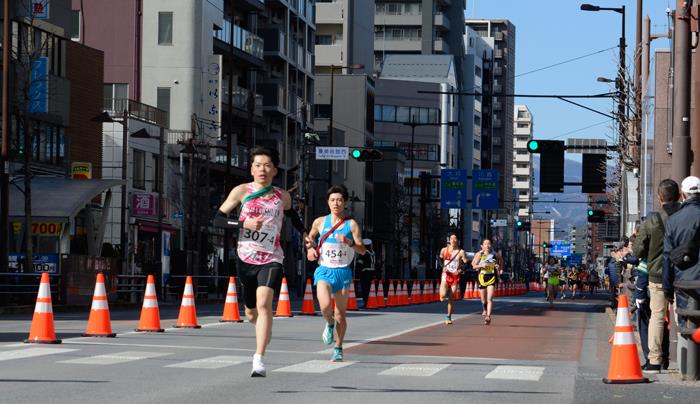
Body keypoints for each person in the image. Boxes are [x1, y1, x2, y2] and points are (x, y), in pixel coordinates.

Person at [213, 147, 308, 377]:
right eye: (258, 165)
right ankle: (260, 328)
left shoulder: (282, 196)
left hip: (272, 257)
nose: (262, 169)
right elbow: (217, 219)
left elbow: (292, 215)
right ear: (251, 168)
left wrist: (306, 235)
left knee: (265, 303)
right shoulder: (242, 191)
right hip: (246, 257)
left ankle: (259, 359)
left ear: (275, 170)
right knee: (252, 312)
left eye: (267, 165)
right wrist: (242, 225)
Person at [305, 185, 367, 362]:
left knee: (340, 313)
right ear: (328, 202)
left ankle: (338, 348)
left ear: (345, 202)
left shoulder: (351, 224)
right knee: (325, 306)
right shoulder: (319, 222)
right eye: (332, 200)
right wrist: (310, 250)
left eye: (339, 200)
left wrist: (349, 242)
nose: (336, 203)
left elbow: (362, 250)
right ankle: (329, 324)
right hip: (324, 270)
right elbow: (310, 239)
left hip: (343, 272)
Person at [633, 179, 679, 373]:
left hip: (657, 275)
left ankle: (654, 360)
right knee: (682, 317)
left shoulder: (651, 221)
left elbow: (638, 251)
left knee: (657, 317)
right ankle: (689, 358)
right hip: (681, 273)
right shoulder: (685, 215)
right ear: (678, 196)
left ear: (660, 198)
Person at [663, 176, 700, 375]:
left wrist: (668, 289)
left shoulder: (674, 220)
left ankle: (688, 370)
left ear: (683, 195)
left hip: (685, 281)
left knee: (687, 324)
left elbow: (667, 258)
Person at [439, 233, 469, 325]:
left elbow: (466, 263)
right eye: (451, 238)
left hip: (455, 277)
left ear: (457, 240)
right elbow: (439, 259)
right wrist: (442, 266)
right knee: (443, 295)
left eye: (455, 238)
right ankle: (442, 295)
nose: (453, 240)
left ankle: (448, 317)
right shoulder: (444, 250)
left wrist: (460, 270)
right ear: (449, 240)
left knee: (452, 298)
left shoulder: (461, 252)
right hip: (446, 275)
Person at [471, 239, 500, 325]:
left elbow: (501, 260)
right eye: (485, 244)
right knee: (484, 300)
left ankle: (488, 316)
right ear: (482, 246)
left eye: (489, 244)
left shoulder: (494, 254)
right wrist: (481, 265)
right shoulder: (479, 254)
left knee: (490, 299)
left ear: (491, 245)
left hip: (491, 277)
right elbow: (473, 266)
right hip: (482, 278)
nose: (487, 245)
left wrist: (499, 267)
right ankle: (485, 308)